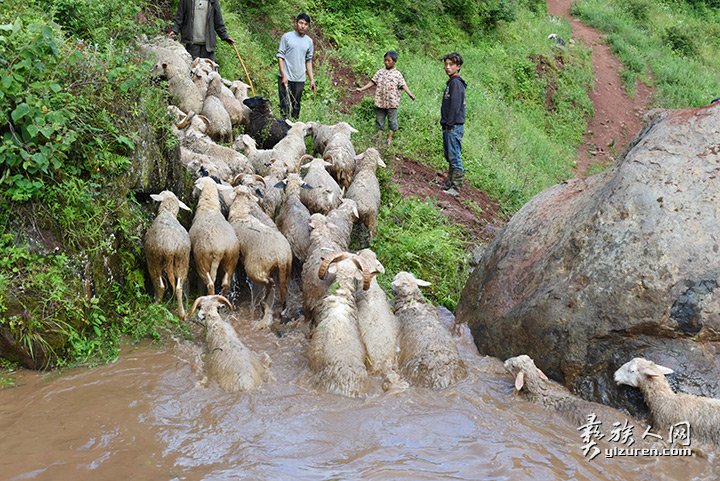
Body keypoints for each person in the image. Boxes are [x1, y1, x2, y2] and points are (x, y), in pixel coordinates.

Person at [356, 51, 416, 145]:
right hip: (380, 101)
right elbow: (372, 82)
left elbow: (403, 85)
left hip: (392, 103)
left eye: (389, 60)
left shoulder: (397, 74)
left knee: (392, 121)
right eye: (385, 60)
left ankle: (389, 138)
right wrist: (361, 89)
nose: (386, 62)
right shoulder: (380, 72)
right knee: (379, 120)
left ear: (394, 61)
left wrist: (410, 94)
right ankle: (378, 138)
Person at [277, 13, 316, 119]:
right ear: (296, 23)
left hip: (300, 78)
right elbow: (280, 57)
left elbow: (308, 61)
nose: (303, 26)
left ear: (308, 26)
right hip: (285, 77)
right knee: (284, 104)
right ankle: (283, 127)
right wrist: (283, 75)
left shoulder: (309, 41)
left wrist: (311, 79)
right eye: (301, 23)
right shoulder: (287, 37)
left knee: (296, 105)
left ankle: (295, 127)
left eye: (306, 24)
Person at [170, 0, 234, 61]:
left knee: (209, 70)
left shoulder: (213, 1)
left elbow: (218, 22)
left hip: (208, 46)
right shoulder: (186, 1)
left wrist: (225, 36)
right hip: (192, 45)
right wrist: (174, 30)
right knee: (192, 69)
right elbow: (179, 16)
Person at [440, 52, 466, 197]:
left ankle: (455, 187)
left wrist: (449, 123)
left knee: (454, 156)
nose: (447, 67)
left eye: (451, 65)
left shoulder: (456, 83)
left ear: (458, 66)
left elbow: (455, 105)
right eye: (446, 64)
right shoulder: (452, 82)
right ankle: (450, 183)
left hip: (453, 126)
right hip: (450, 125)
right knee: (450, 155)